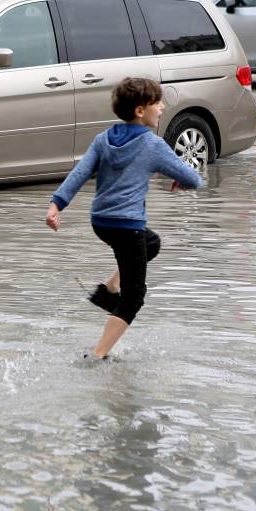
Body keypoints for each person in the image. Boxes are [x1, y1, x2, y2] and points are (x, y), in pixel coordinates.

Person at [45, 78, 202, 359]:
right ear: (141, 110)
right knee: (134, 298)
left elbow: (79, 173)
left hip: (101, 222)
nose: (163, 106)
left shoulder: (103, 139)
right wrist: (182, 180)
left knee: (151, 243)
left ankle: (109, 289)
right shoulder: (152, 145)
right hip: (127, 225)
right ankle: (98, 354)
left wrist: (56, 205)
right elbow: (194, 178)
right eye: (158, 102)